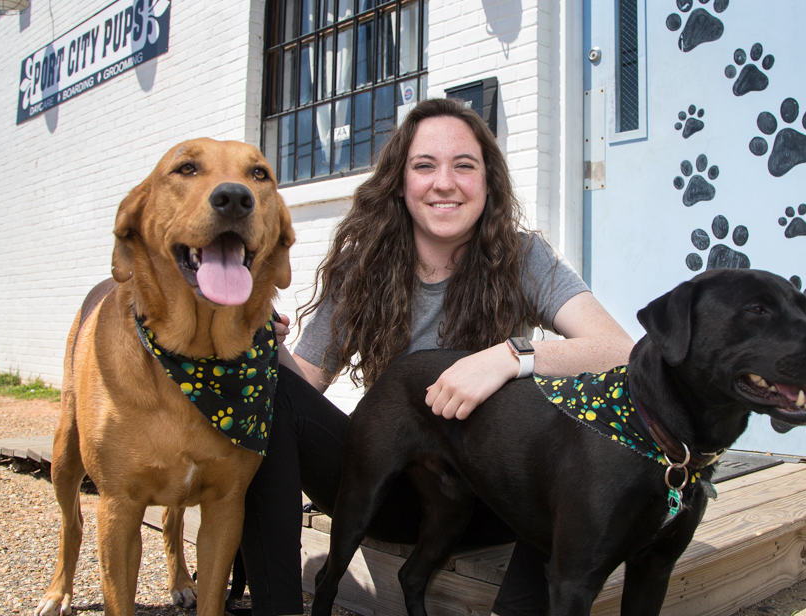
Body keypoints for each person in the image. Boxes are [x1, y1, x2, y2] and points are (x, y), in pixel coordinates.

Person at [241, 97, 635, 615]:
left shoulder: (522, 256)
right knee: (271, 394)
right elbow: (306, 384)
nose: (444, 183)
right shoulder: (362, 270)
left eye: (464, 166)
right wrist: (261, 339)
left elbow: (620, 351)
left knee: (574, 427)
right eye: (424, 166)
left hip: (490, 502)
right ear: (400, 183)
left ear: (488, 181)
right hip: (380, 491)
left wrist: (510, 356)